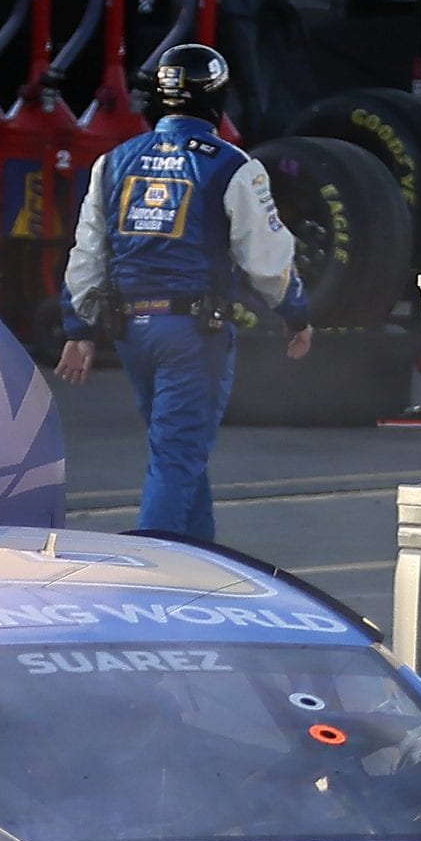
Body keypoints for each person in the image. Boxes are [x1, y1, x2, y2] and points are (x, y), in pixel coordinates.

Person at [55, 44, 311, 541]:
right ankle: (158, 570)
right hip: (194, 334)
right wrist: (295, 314)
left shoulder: (114, 162)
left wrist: (79, 330)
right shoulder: (232, 165)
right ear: (218, 97)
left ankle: (203, 562)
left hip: (132, 334)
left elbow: (87, 252)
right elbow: (267, 259)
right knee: (176, 455)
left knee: (179, 450)